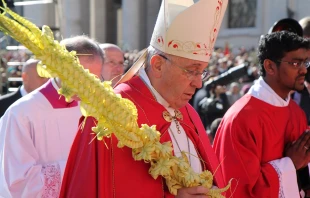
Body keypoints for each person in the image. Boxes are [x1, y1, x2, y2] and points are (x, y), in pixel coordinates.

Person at [60, 0, 228, 197]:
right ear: (157, 65)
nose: (199, 84)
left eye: (202, 72)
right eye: (191, 71)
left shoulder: (187, 111)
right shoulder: (111, 114)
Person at [0, 35, 104, 197]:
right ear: (60, 69)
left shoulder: (96, 108)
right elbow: (17, 181)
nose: (88, 87)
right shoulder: (21, 113)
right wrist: (81, 169)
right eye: (82, 78)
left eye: (95, 79)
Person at [213, 31, 310, 197]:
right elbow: (235, 188)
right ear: (270, 66)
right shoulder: (240, 118)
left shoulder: (296, 112)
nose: (303, 71)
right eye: (295, 63)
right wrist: (289, 164)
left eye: (305, 63)